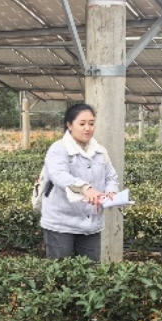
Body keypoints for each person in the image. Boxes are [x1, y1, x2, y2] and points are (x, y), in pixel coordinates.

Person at [39, 103, 119, 263]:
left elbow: (111, 176)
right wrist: (85, 188)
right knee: (60, 270)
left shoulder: (100, 151)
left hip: (91, 224)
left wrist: (111, 191)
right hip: (60, 223)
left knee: (90, 270)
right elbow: (59, 175)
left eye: (91, 123)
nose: (87, 128)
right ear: (69, 125)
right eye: (82, 124)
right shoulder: (58, 149)